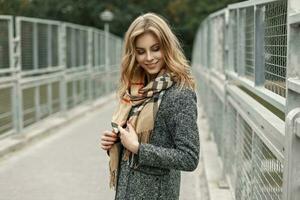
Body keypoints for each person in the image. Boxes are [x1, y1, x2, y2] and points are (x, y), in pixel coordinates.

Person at [100, 12, 199, 200]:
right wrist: (117, 143)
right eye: (141, 51)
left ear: (167, 47)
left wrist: (139, 148)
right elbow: (131, 147)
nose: (149, 57)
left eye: (155, 48)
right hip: (126, 192)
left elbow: (189, 157)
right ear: (133, 53)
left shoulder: (180, 94)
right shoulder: (135, 90)